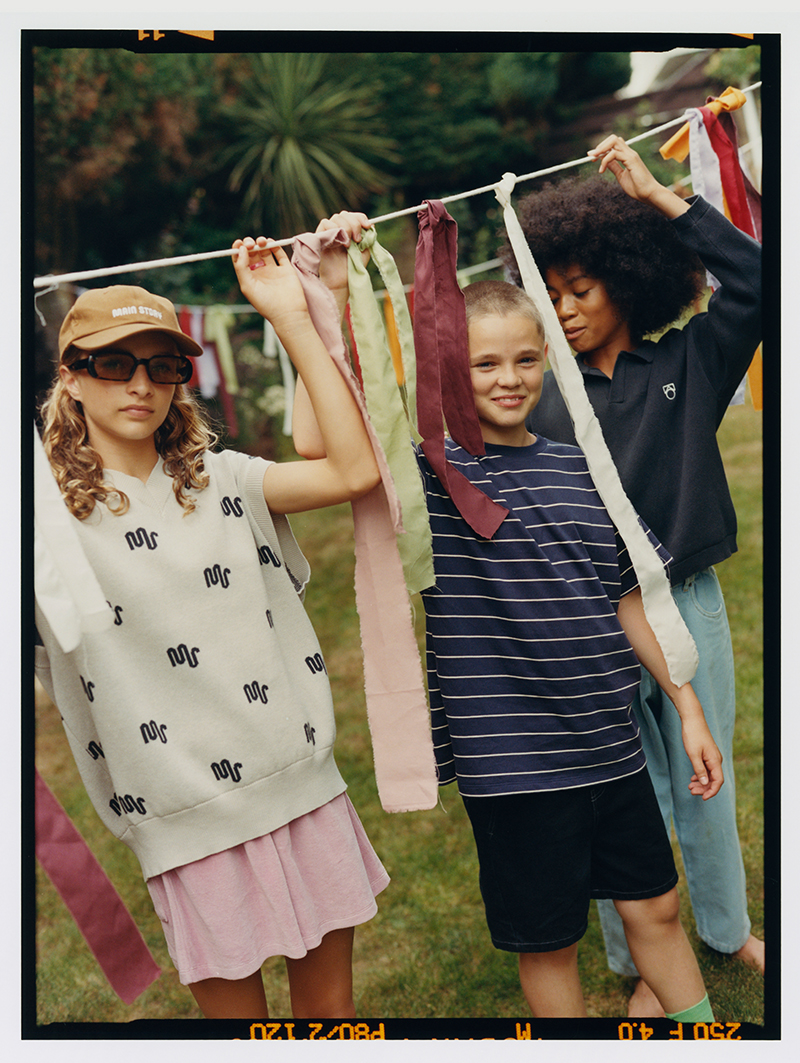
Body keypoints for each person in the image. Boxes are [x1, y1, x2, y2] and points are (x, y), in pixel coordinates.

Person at [295, 265, 724, 1019]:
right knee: (550, 942)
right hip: (514, 767)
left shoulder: (582, 467)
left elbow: (629, 598)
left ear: (547, 358)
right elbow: (317, 441)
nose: (509, 378)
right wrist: (320, 299)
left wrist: (686, 708)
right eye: (484, 363)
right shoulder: (430, 477)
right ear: (450, 370)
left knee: (657, 908)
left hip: (610, 744)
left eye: (526, 359)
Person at [34, 213, 390, 1020]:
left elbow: (352, 469)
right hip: (179, 817)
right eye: (113, 363)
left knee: (332, 1026)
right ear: (72, 378)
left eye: (162, 366)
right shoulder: (42, 523)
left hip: (299, 783)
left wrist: (291, 313)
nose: (140, 384)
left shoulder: (224, 478)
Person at [505, 134, 764, 1017]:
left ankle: (726, 930)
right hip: (593, 620)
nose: (566, 310)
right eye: (552, 295)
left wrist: (660, 197)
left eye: (581, 289)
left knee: (707, 777)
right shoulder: (543, 402)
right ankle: (643, 959)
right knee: (628, 791)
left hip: (687, 602)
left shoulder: (690, 361)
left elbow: (758, 280)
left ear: (628, 277)